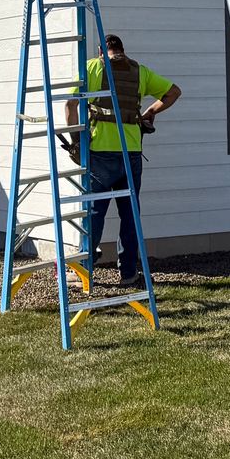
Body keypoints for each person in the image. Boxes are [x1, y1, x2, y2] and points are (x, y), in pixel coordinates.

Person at [65, 33, 179, 287]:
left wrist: (75, 141)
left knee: (95, 212)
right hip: (131, 152)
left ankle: (85, 270)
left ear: (101, 51)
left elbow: (71, 104)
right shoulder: (139, 71)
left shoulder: (92, 68)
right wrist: (149, 112)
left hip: (100, 153)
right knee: (129, 214)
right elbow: (173, 92)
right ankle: (128, 272)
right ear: (122, 50)